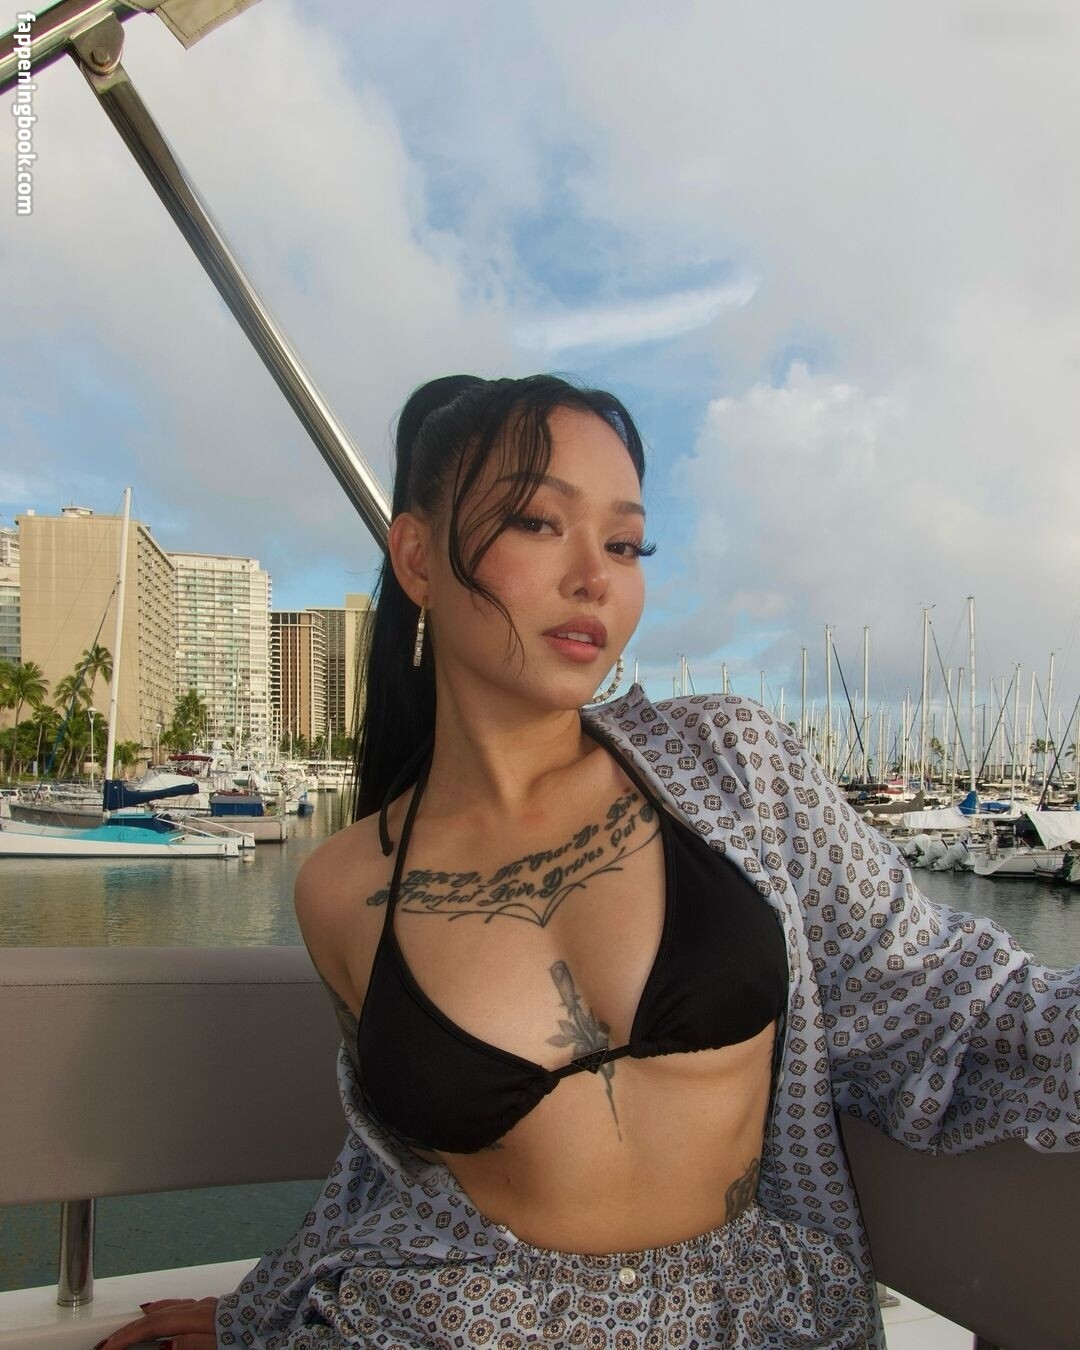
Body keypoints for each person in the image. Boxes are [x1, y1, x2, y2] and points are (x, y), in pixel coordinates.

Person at [97, 375, 1079, 1350]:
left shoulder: (734, 767)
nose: (595, 578)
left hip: (753, 1323)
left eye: (624, 544)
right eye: (538, 522)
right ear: (418, 558)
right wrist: (259, 1314)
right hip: (449, 1328)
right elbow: (394, 1164)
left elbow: (952, 996)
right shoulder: (343, 887)